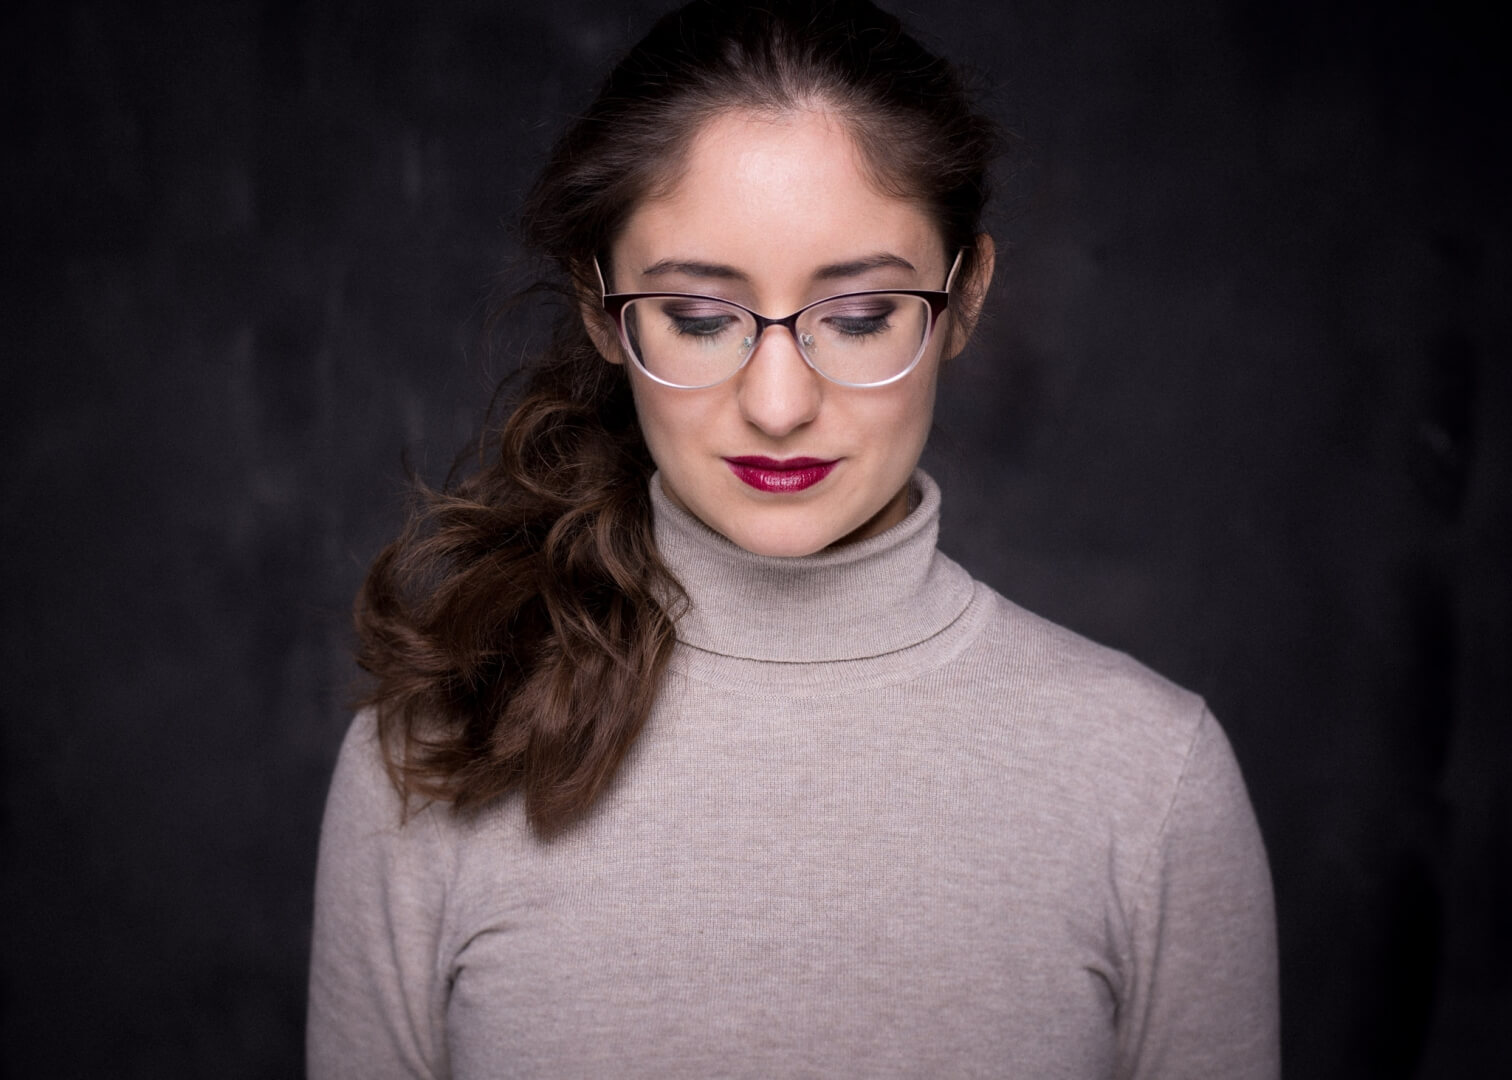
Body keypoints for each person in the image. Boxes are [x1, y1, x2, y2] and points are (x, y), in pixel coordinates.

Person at [307, 1, 1280, 1076]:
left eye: (860, 317)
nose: (778, 406)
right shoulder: (432, 759)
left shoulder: (1151, 783)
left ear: (964, 298)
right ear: (601, 307)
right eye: (699, 317)